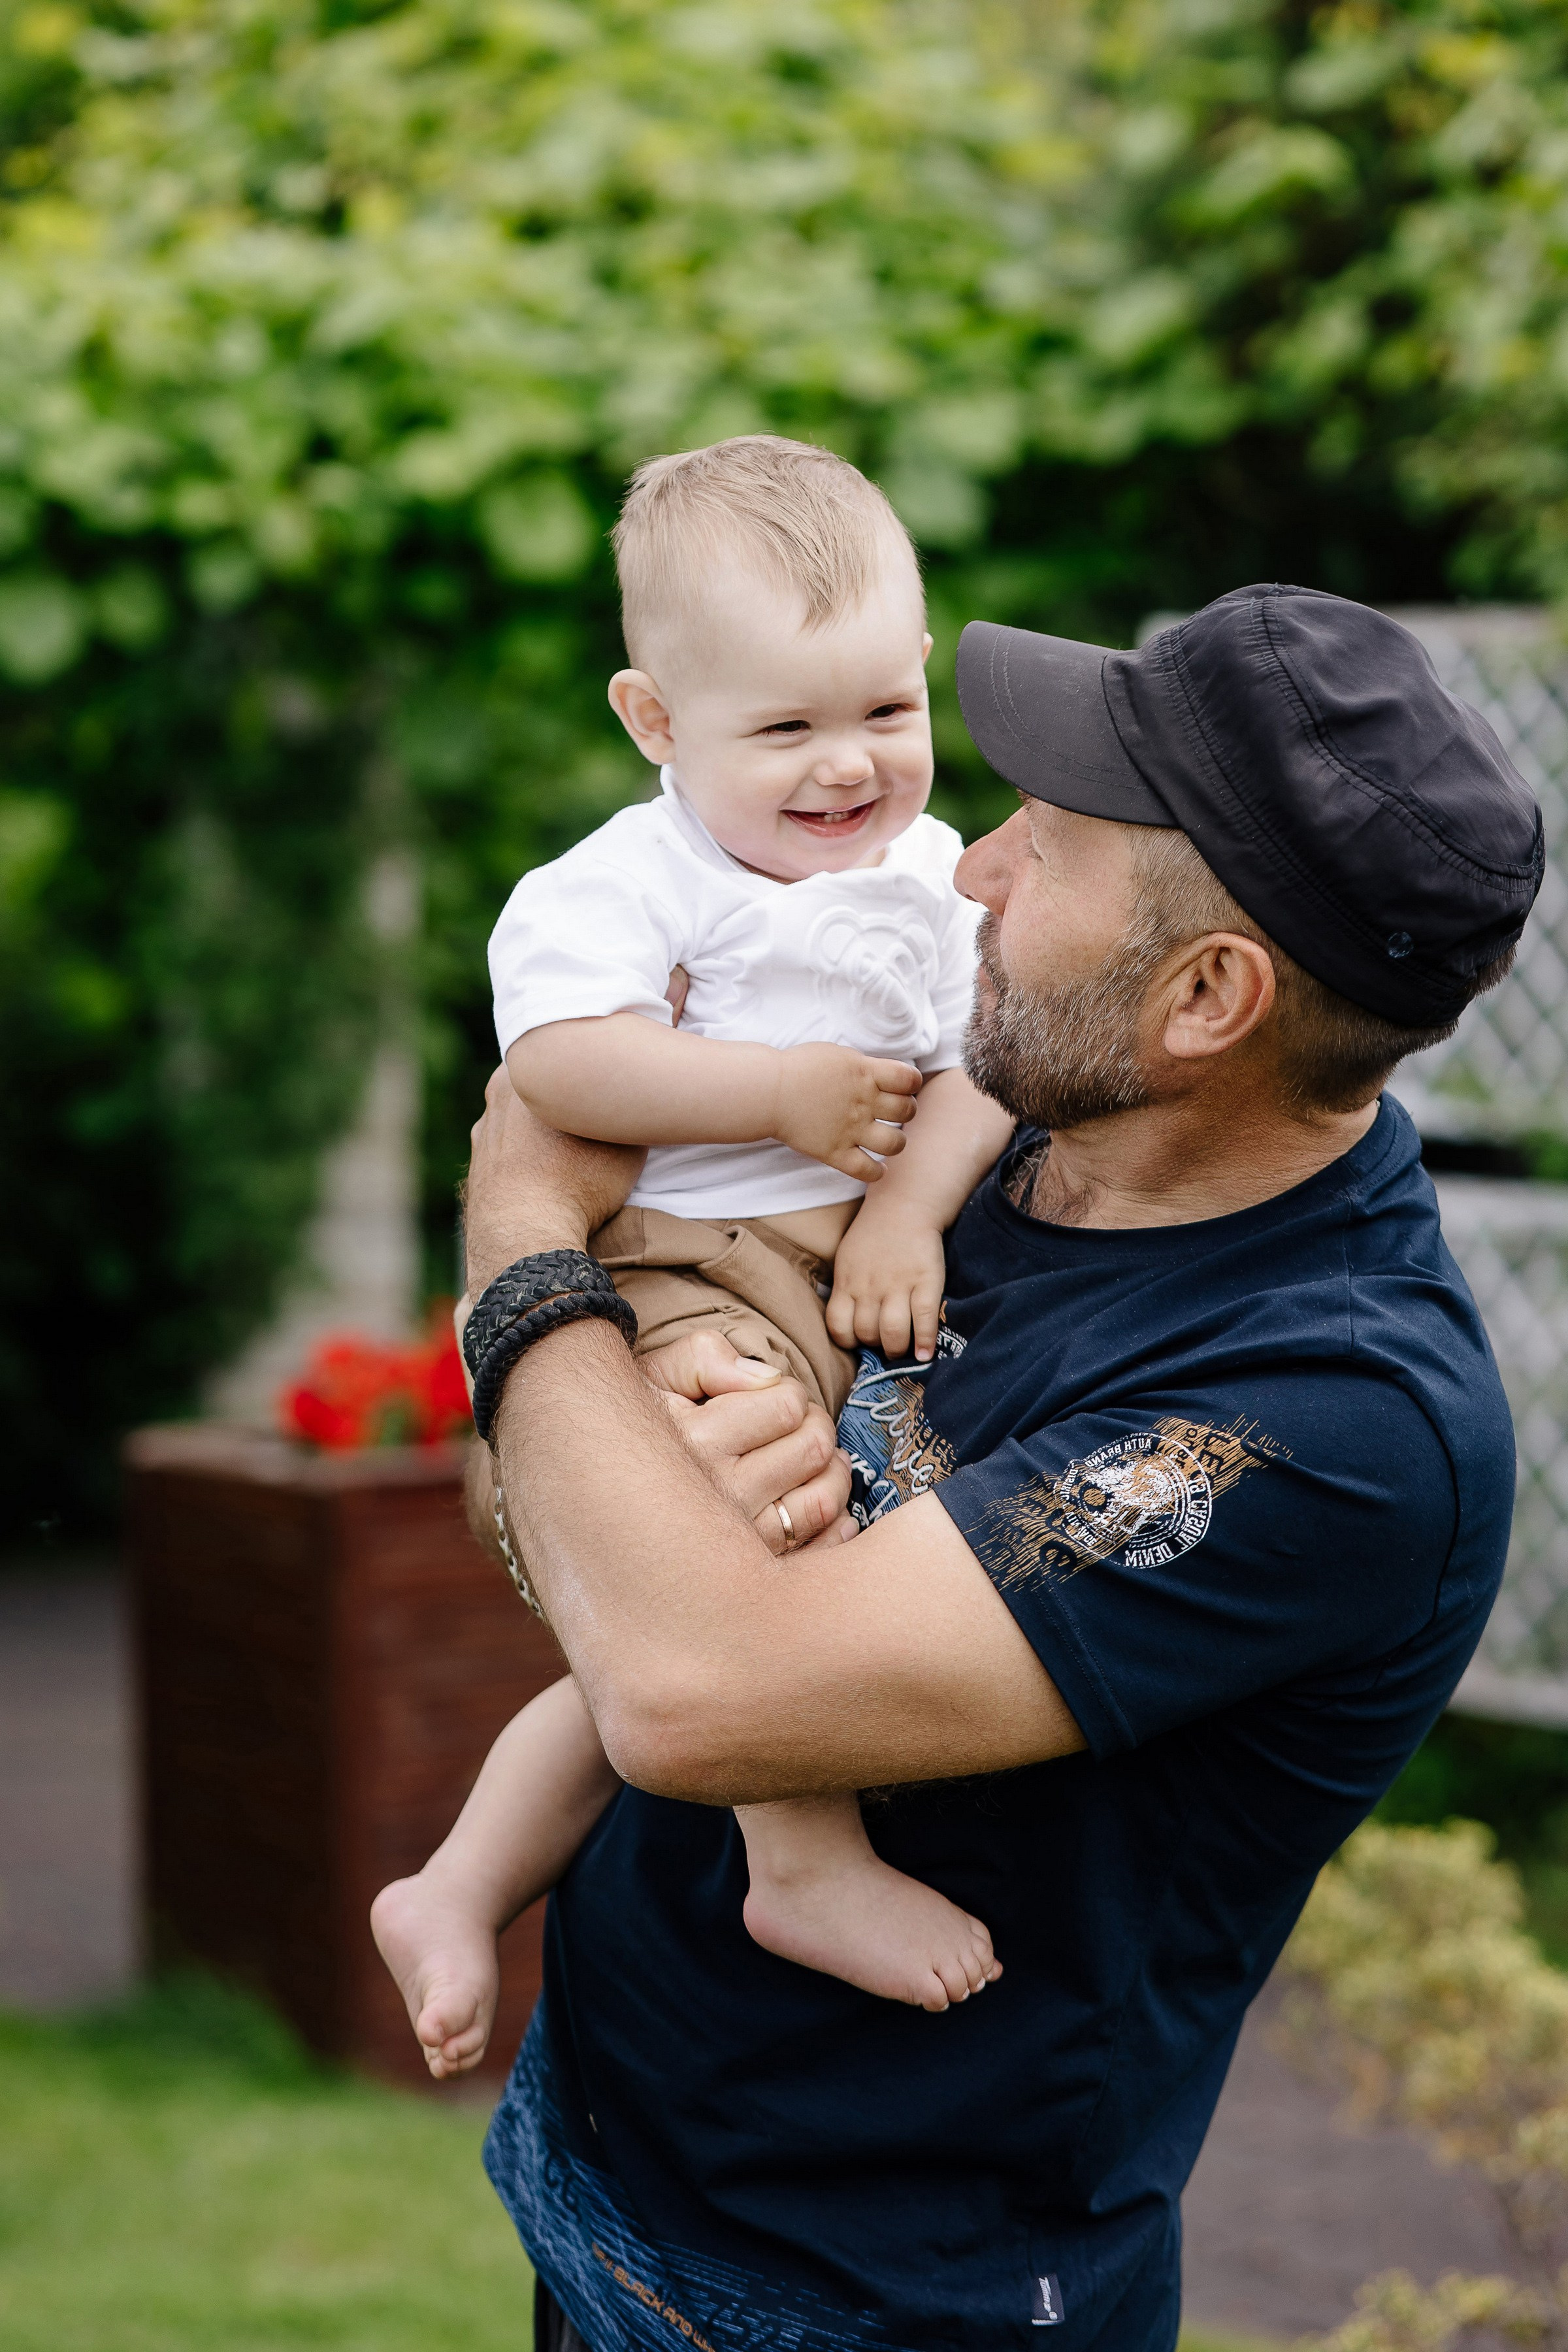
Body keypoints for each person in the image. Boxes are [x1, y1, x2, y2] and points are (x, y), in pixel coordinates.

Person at [444, 585, 1540, 2352]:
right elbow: (558, 1529)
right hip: (614, 2167)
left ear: (1207, 996)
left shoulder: (1320, 1421)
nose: (969, 869)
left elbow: (692, 1691)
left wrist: (518, 1242)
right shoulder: (988, 1135)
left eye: (1053, 839)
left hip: (871, 2302)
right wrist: (620, 1431)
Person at [374, 434, 1017, 2047]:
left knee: (642, 1656)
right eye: (784, 726)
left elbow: (987, 1071)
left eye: (884, 710)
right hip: (677, 1267)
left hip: (846, 1260)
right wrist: (774, 1090)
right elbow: (558, 1070)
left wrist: (909, 1208)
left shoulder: (939, 877)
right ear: (656, 722)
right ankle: (798, 1859)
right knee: (759, 1510)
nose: (846, 767)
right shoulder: (625, 881)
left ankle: (453, 1884)